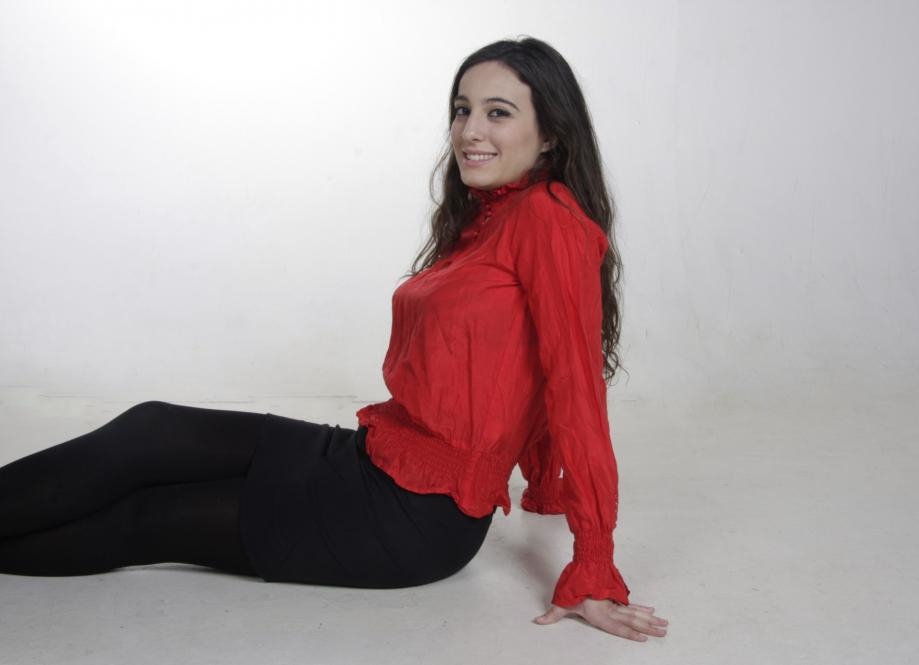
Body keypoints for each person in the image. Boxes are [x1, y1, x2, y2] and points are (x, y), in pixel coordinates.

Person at [0, 37, 667, 643]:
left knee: (149, 520)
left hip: (413, 519)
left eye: (498, 113)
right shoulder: (492, 215)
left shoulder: (548, 222)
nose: (470, 131)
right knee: (151, 430)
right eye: (462, 110)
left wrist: (593, 560)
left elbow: (574, 389)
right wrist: (540, 479)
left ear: (550, 134)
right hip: (373, 459)